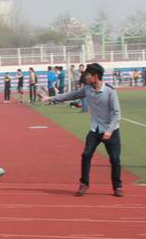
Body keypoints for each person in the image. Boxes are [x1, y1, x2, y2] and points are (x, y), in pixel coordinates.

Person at [43, 63, 123, 197]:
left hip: (111, 130)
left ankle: (117, 186)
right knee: (86, 155)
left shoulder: (110, 91)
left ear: (95, 76)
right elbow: (70, 95)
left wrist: (109, 131)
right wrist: (51, 98)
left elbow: (117, 114)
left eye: (88, 74)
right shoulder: (87, 89)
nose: (85, 77)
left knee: (115, 159)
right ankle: (84, 183)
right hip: (95, 129)